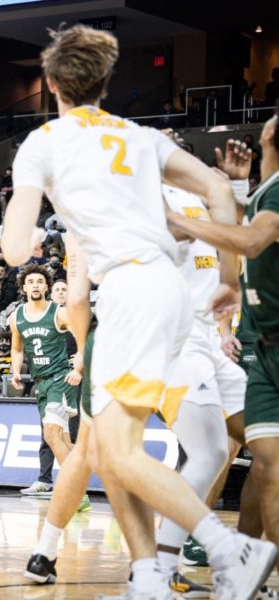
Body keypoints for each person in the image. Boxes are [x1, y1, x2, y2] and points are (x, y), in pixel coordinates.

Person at [4, 24, 273, 597]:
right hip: (176, 296)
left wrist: (24, 235)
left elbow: (13, 247)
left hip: (129, 289)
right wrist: (228, 280)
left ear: (51, 83)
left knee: (118, 451)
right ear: (105, 83)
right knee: (104, 444)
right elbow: (223, 192)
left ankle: (230, 548)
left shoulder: (42, 143)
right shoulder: (141, 137)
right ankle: (149, 576)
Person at [166, 121, 279, 581]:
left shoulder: (206, 196)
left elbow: (241, 236)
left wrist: (231, 185)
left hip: (215, 336)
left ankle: (242, 562)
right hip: (175, 339)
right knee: (210, 451)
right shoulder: (146, 198)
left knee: (261, 452)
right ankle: (159, 561)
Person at [9, 265, 84, 506]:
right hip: (40, 383)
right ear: (24, 287)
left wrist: (78, 368)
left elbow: (83, 338)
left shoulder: (59, 312)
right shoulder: (16, 317)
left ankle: (76, 494)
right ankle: (85, 485)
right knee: (63, 440)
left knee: (51, 434)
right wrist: (15, 372)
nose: (36, 285)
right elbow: (17, 349)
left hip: (60, 379)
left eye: (40, 281)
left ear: (46, 286)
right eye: (31, 282)